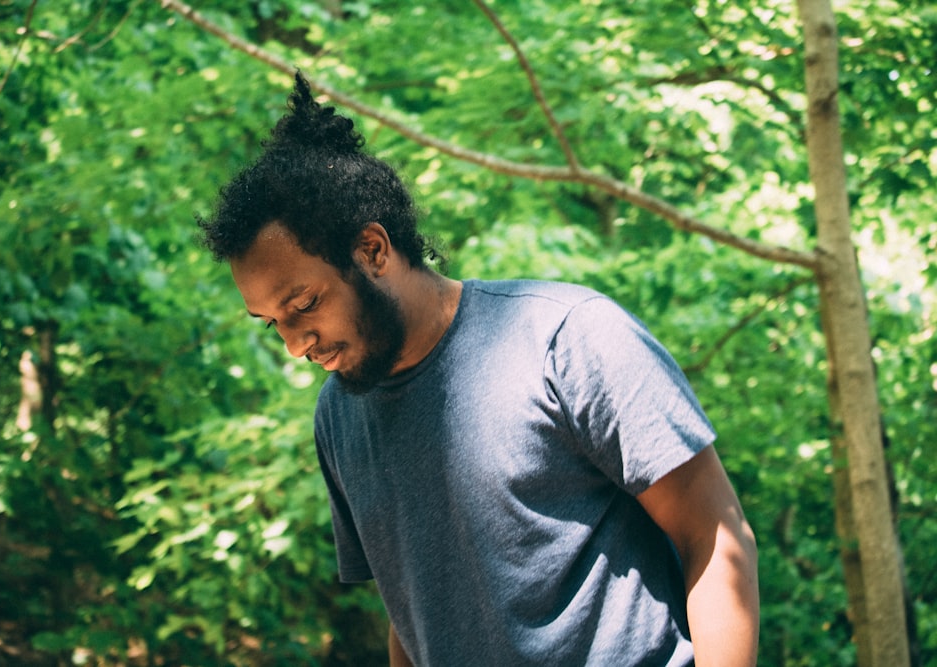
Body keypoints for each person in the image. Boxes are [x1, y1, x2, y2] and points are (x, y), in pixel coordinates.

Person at [198, 72, 759, 666]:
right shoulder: (338, 417)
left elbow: (716, 536)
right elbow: (412, 613)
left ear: (373, 250)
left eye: (304, 305)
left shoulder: (567, 340)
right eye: (271, 322)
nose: (293, 344)